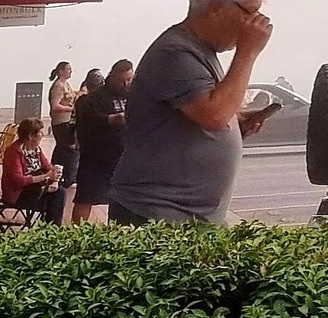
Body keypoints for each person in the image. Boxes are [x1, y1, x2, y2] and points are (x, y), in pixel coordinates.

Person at [108, 0, 277, 224]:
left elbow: (206, 111)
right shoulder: (175, 52)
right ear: (216, 7)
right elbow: (214, 116)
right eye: (251, 13)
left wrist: (236, 122)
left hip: (183, 214)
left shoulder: (198, 50)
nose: (258, 23)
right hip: (159, 212)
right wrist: (248, 52)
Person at [72, 60, 134, 222]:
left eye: (128, 80)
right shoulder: (94, 98)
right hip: (96, 157)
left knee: (121, 200)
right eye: (122, 81)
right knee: (85, 198)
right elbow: (87, 122)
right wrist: (112, 119)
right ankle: (76, 234)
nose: (125, 84)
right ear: (112, 76)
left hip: (123, 158)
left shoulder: (134, 96)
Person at [1, 117, 65, 223]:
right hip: (19, 194)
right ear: (31, 136)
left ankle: (51, 228)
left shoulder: (36, 150)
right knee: (53, 199)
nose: (43, 134)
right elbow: (18, 180)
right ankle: (51, 228)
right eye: (40, 132)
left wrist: (55, 180)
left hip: (36, 191)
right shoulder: (14, 152)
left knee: (59, 192)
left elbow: (49, 168)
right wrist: (45, 177)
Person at [48, 60, 78, 169]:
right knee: (67, 149)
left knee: (61, 149)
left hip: (67, 121)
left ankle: (55, 171)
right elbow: (55, 106)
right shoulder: (58, 86)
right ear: (61, 71)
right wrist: (70, 109)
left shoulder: (66, 84)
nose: (71, 71)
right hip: (61, 122)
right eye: (68, 69)